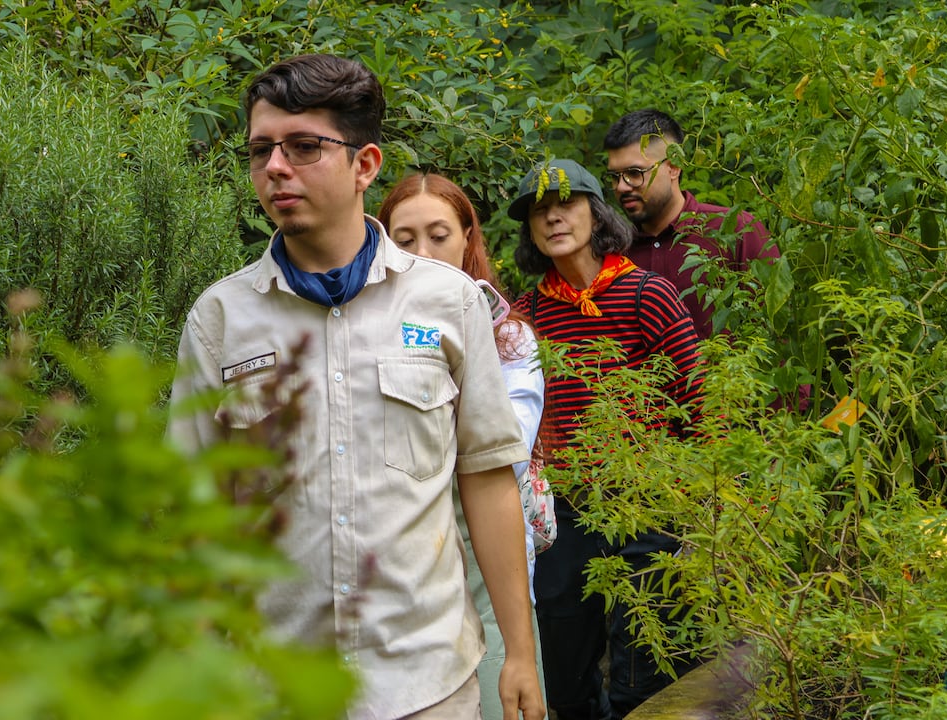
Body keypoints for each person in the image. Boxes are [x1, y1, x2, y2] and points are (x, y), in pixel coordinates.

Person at [168, 54, 545, 720]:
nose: (275, 167)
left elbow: (489, 478)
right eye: (260, 150)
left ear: (365, 164)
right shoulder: (221, 319)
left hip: (426, 683)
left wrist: (519, 652)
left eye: (303, 146)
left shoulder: (449, 303)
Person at [508, 158, 705, 720]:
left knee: (644, 680)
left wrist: (703, 509)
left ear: (596, 214)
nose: (553, 218)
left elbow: (699, 404)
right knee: (564, 683)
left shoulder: (646, 293)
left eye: (566, 204)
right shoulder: (525, 315)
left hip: (648, 508)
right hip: (563, 515)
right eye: (539, 211)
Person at [379, 173, 555, 719]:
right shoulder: (367, 332)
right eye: (404, 240)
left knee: (504, 693)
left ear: (467, 238)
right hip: (401, 568)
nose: (423, 253)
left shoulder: (509, 336)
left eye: (438, 236)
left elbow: (506, 449)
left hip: (487, 553)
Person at [603, 108, 780, 340]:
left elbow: (776, 330)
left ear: (674, 167)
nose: (621, 186)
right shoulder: (613, 250)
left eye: (634, 173)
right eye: (614, 177)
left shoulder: (736, 229)